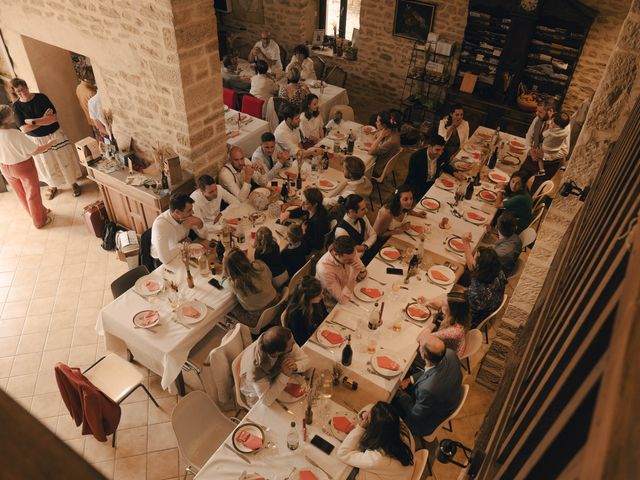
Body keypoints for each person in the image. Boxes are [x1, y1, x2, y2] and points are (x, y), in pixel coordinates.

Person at [11, 78, 82, 199]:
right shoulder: (16, 107)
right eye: (18, 92)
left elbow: (53, 119)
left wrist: (32, 121)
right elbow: (24, 129)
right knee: (46, 164)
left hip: (54, 134)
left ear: (26, 86)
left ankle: (73, 183)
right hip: (37, 140)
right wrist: (44, 120)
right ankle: (52, 185)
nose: (22, 93)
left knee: (64, 160)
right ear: (15, 93)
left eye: (23, 89)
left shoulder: (41, 98)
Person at [393, 334, 463, 439]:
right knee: (409, 372)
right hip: (445, 395)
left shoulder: (427, 389)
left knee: (388, 403)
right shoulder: (450, 354)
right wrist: (409, 379)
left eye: (420, 345)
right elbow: (431, 370)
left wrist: (398, 393)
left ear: (423, 355)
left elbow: (415, 414)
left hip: (423, 422)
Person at [0, 105, 55, 228]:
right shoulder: (15, 134)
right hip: (23, 167)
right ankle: (39, 221)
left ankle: (38, 213)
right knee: (32, 194)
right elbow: (35, 150)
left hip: (5, 168)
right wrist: (50, 143)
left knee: (22, 194)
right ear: (8, 119)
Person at [337, 401, 415, 480]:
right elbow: (371, 406)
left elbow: (343, 453)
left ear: (374, 430)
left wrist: (360, 428)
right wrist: (364, 414)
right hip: (399, 473)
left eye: (368, 419)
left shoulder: (377, 459)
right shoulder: (397, 425)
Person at [239, 326, 309, 406]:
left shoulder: (285, 339)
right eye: (291, 346)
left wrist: (296, 365)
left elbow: (307, 361)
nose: (294, 344)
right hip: (256, 395)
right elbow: (266, 401)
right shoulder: (257, 369)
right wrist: (284, 375)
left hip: (275, 379)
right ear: (278, 353)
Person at [223, 248, 278, 327]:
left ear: (229, 268)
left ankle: (232, 328)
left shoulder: (235, 284)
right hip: (275, 303)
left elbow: (222, 281)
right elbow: (270, 277)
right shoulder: (259, 265)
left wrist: (225, 268)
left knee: (228, 307)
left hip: (256, 319)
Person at [150, 194, 203, 266]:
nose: (193, 212)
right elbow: (165, 259)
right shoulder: (161, 225)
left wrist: (199, 223)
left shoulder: (184, 215)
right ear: (177, 212)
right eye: (189, 210)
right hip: (162, 261)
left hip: (180, 252)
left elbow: (204, 236)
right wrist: (182, 245)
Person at [315, 235, 367, 308]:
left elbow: (363, 274)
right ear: (336, 254)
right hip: (336, 305)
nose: (353, 260)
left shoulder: (350, 253)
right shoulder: (324, 269)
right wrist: (353, 276)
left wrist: (362, 271)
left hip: (353, 291)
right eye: (348, 260)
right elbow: (342, 300)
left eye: (354, 255)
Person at [530, 111, 571, 191]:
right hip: (537, 151)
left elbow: (565, 152)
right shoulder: (556, 122)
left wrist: (544, 156)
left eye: (553, 122)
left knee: (537, 187)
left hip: (549, 160)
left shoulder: (562, 130)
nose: (551, 122)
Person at [466, 247, 506, 327]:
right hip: (488, 306)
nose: (473, 259)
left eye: (475, 258)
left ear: (479, 266)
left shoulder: (475, 292)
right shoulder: (499, 272)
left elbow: (464, 311)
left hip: (471, 321)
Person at [282, 187, 330, 252]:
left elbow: (318, 246)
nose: (301, 204)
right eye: (302, 200)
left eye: (305, 203)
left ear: (315, 204)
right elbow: (301, 210)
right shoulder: (314, 209)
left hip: (306, 246)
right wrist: (289, 213)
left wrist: (304, 233)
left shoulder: (317, 222)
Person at [335, 194, 378, 265]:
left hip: (368, 253)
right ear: (351, 211)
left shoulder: (362, 216)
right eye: (363, 209)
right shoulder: (341, 231)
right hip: (355, 263)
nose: (367, 210)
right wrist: (365, 243)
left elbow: (373, 235)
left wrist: (364, 246)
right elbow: (348, 256)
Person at [284, 276, 327, 345]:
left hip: (320, 334)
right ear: (308, 299)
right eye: (319, 295)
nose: (322, 296)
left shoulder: (317, 301)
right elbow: (301, 340)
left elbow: (325, 316)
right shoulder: (296, 315)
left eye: (322, 293)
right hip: (309, 342)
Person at [404, 134, 448, 199]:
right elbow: (413, 179)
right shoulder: (416, 157)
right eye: (437, 150)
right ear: (429, 147)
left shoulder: (442, 153)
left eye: (442, 150)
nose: (440, 153)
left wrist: (454, 172)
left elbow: (445, 165)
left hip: (434, 183)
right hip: (419, 186)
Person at [368, 111, 401, 177]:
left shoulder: (391, 141)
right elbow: (375, 136)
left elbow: (371, 151)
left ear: (384, 125)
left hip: (377, 169)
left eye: (377, 122)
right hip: (381, 160)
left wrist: (381, 136)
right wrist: (380, 132)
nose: (375, 123)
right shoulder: (393, 129)